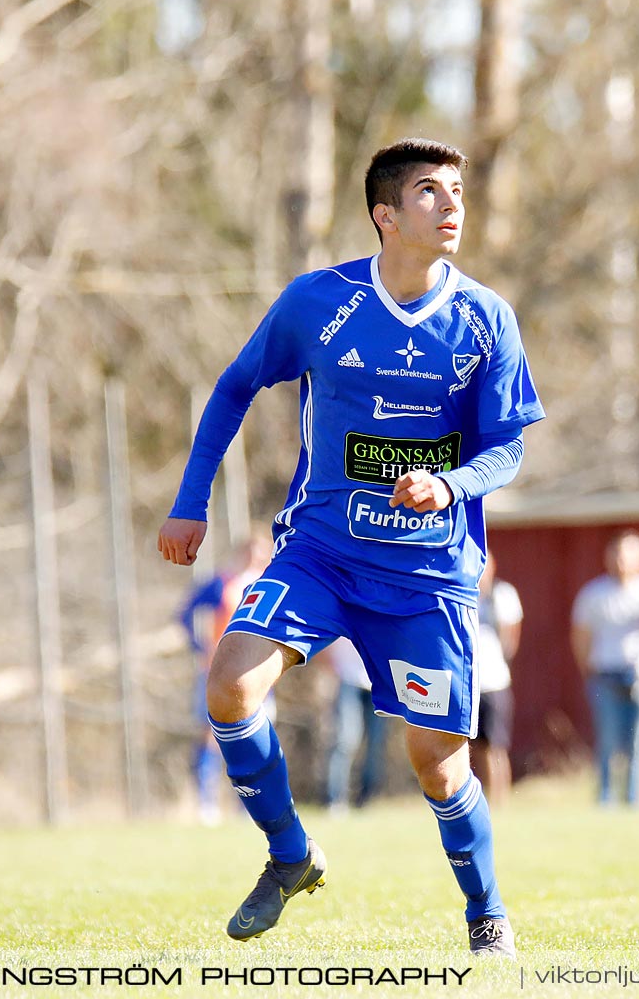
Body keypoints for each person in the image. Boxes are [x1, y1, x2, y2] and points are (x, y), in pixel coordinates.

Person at [158, 138, 543, 958]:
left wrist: (453, 484)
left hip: (428, 575)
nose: (452, 206)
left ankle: (488, 914)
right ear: (386, 215)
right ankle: (291, 856)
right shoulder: (317, 303)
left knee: (437, 767)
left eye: (458, 192)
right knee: (228, 687)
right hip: (321, 557)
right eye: (431, 193)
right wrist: (190, 503)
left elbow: (508, 446)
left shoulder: (485, 317)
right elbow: (234, 386)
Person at [570, 530, 639, 807]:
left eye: (629, 553)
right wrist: (588, 669)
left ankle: (635, 800)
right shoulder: (594, 594)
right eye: (617, 553)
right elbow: (581, 635)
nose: (622, 559)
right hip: (605, 674)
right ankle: (605, 799)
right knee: (608, 741)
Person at [180, 534, 274, 823]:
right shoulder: (224, 582)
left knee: (254, 737)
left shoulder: (269, 584)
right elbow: (186, 612)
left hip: (256, 673)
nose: (255, 559)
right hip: (218, 671)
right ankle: (207, 803)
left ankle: (248, 805)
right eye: (251, 552)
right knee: (210, 735)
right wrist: (200, 647)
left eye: (261, 554)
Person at [468, 554, 523, 805]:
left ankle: (500, 800)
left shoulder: (503, 595)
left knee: (496, 747)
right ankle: (482, 800)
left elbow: (510, 639)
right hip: (469, 684)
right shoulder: (462, 594)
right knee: (475, 747)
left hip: (495, 681)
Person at [321, 638, 387, 813]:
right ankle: (336, 800)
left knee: (375, 743)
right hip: (348, 679)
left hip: (378, 682)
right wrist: (332, 667)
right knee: (345, 739)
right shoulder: (342, 609)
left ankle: (366, 800)